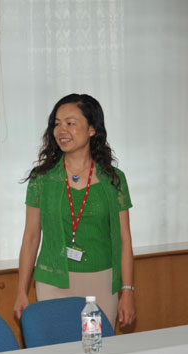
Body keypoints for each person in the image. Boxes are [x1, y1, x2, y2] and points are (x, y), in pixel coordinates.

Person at [13, 93, 136, 330]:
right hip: (52, 281)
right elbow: (31, 238)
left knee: (98, 348)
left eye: (70, 123)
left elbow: (124, 239)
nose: (62, 130)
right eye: (57, 124)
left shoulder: (113, 179)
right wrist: (21, 291)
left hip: (101, 281)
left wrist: (128, 291)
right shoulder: (42, 179)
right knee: (57, 347)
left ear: (92, 129)